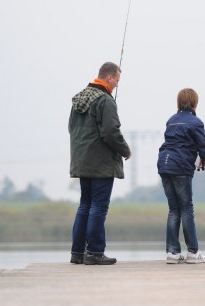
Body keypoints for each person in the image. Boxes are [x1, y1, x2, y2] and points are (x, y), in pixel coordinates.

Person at [68, 62, 131, 265]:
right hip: (101, 163)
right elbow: (111, 132)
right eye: (117, 80)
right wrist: (125, 150)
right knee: (98, 206)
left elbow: (71, 129)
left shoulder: (79, 98)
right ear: (109, 77)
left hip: (82, 160)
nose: (117, 85)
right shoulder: (105, 100)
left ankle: (78, 253)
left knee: (85, 204)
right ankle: (94, 252)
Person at [157, 88, 205, 264]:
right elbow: (204, 150)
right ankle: (193, 253)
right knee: (186, 209)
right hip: (180, 167)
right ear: (195, 103)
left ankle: (172, 253)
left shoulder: (171, 121)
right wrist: (204, 157)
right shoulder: (196, 122)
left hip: (164, 164)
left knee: (174, 209)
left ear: (179, 102)